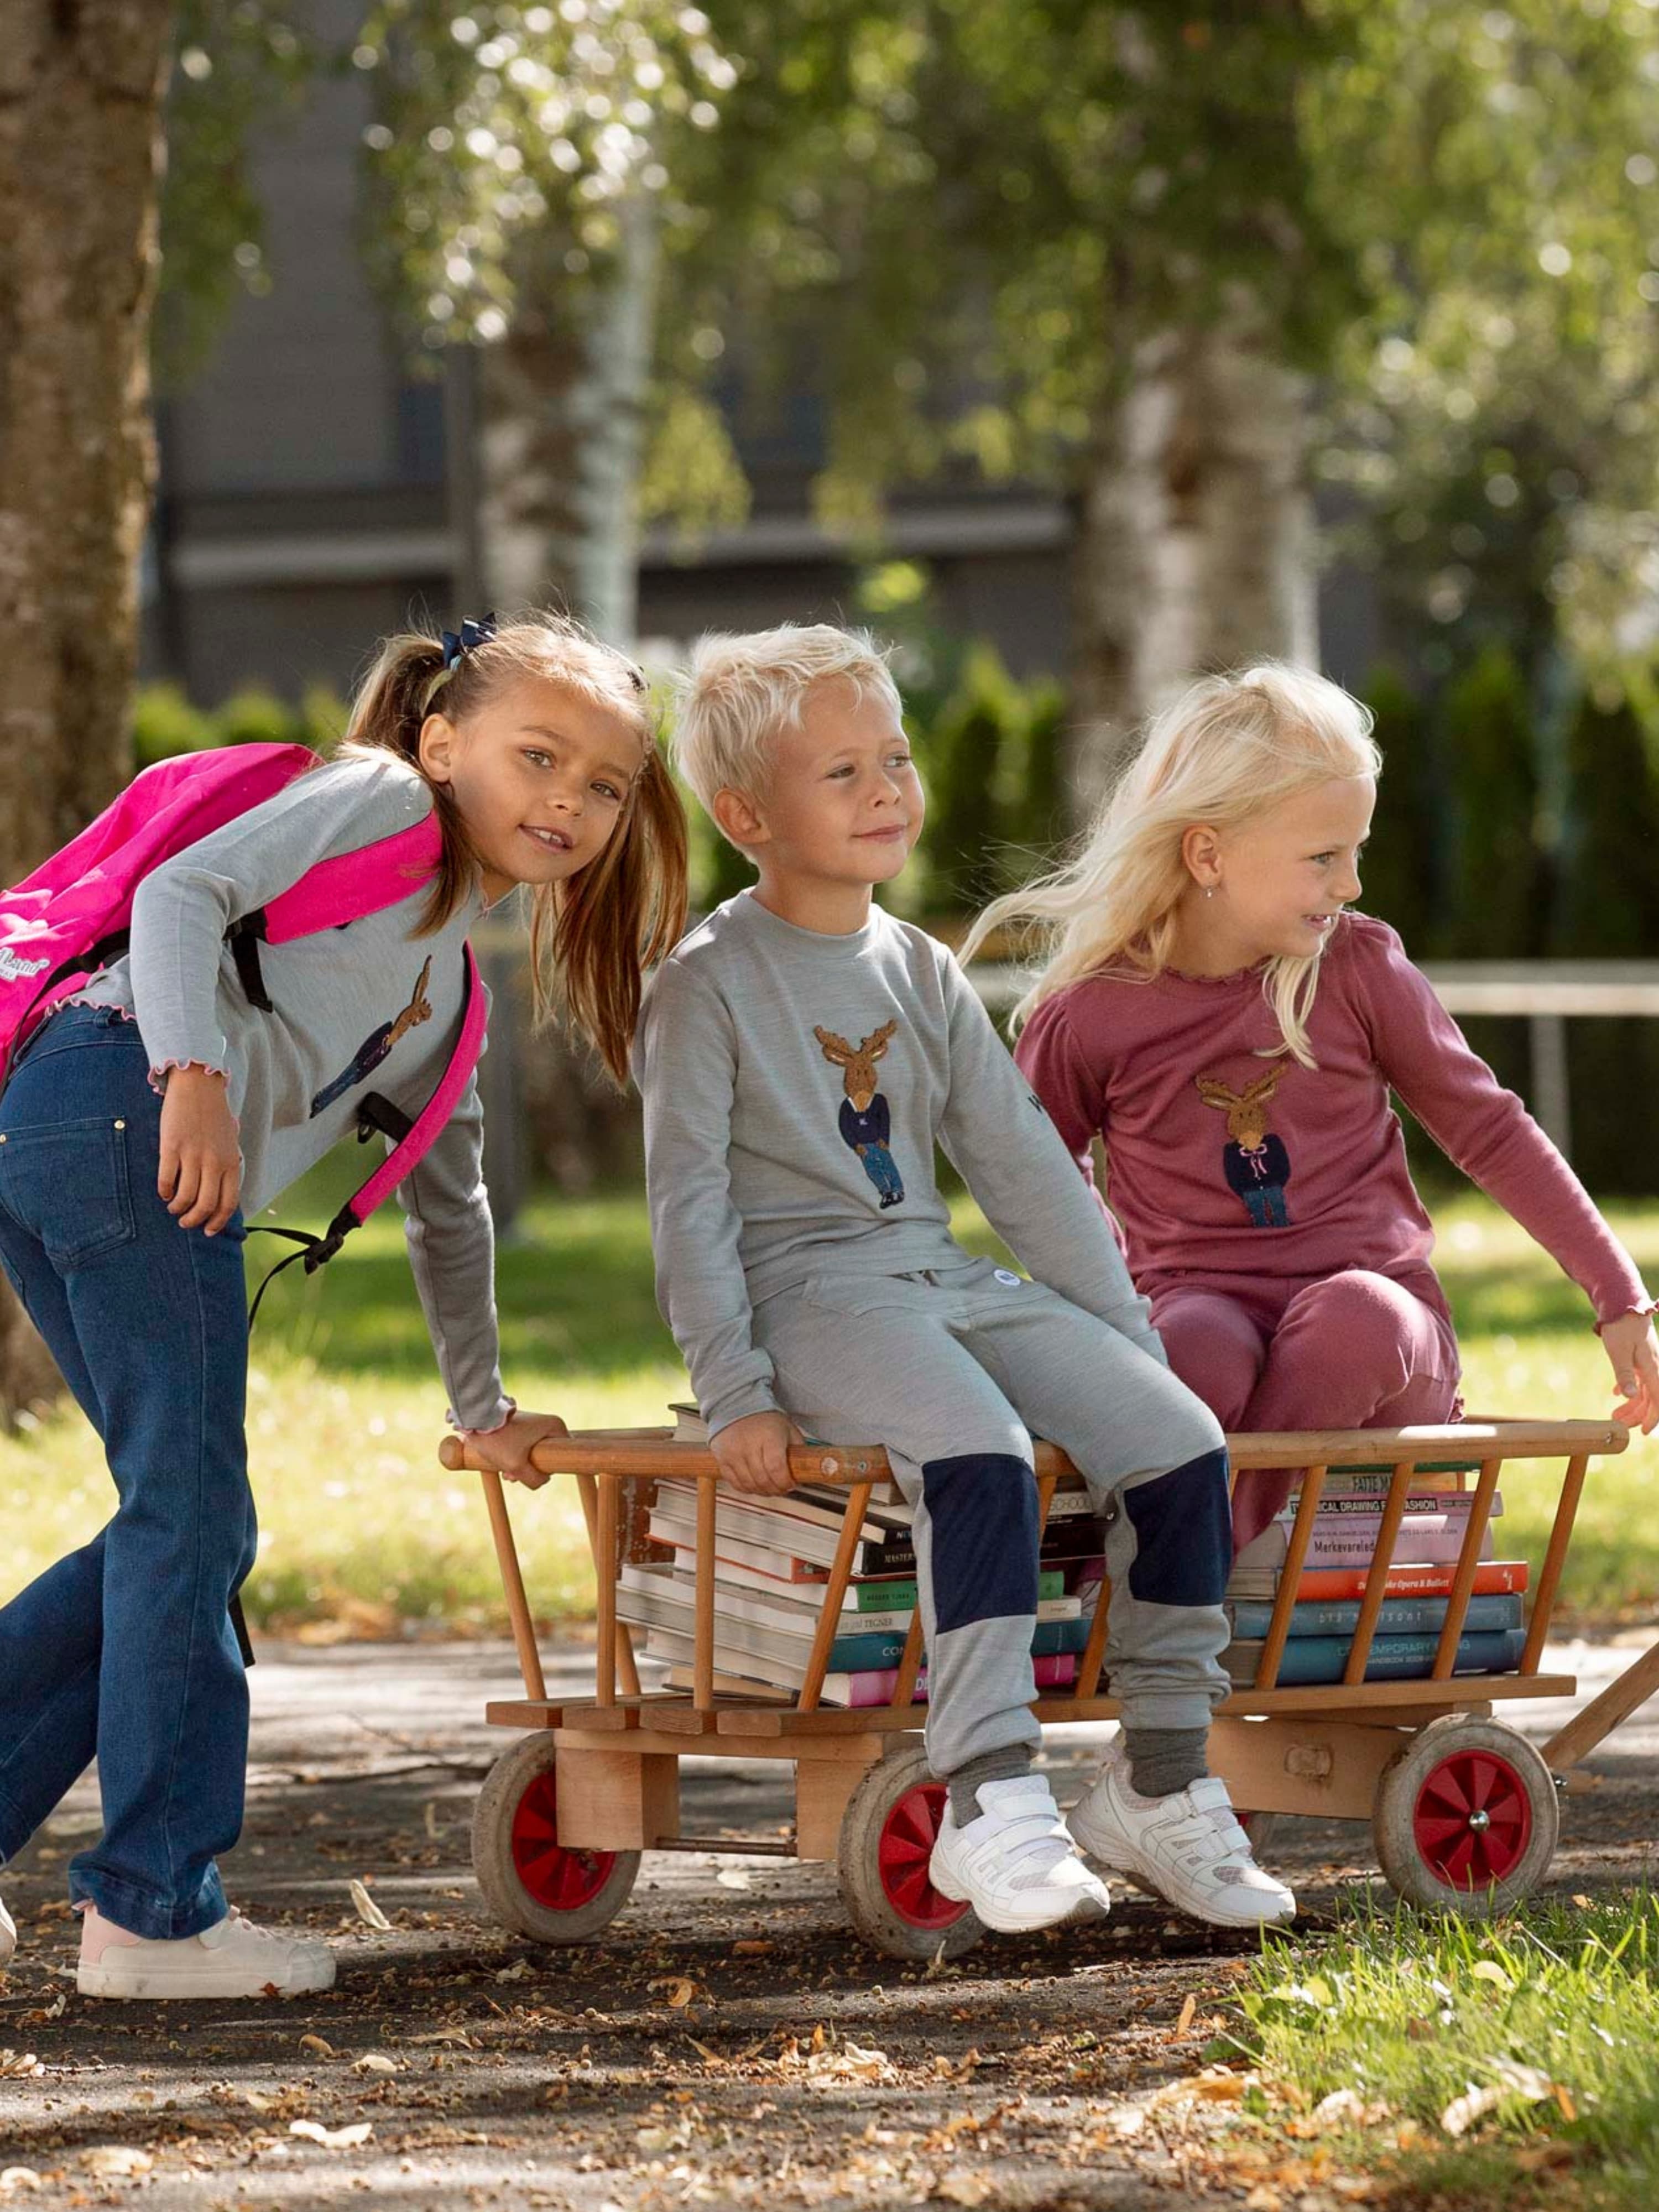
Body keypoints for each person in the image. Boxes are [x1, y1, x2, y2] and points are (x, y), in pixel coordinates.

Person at [0, 613, 686, 1998]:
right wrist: (194, 1070)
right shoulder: (376, 797)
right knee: (190, 1517)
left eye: (604, 785)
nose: (568, 799)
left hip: (75, 1135)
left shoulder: (450, 996)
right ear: (442, 743)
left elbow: (452, 1207)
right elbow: (185, 895)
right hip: (119, 1097)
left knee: (183, 1522)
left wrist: (483, 1407)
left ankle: (145, 1893)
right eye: (537, 756)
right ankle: (153, 1910)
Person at [639, 624, 1295, 1936]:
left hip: (933, 1273)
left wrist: (1125, 1345)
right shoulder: (705, 984)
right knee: (980, 1450)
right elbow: (688, 1204)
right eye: (844, 773)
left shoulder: (919, 967)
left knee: (1176, 1438)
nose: (887, 787)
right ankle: (990, 1793)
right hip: (805, 1297)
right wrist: (736, 1386)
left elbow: (1025, 1169)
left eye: (895, 757)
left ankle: (1159, 1778)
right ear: (746, 813)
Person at [961, 660, 1659, 1557]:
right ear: (1208, 854)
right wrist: (1115, 1297)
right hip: (1196, 1307)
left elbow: (1489, 1127)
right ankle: (1181, 1579)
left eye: (1355, 852)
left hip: (1386, 1339)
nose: (1353, 885)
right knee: (1193, 1349)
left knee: (1352, 1321)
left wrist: (1618, 1296)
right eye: (1325, 858)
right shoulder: (1092, 1013)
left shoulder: (1359, 968)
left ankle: (1177, 1583)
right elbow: (1033, 1179)